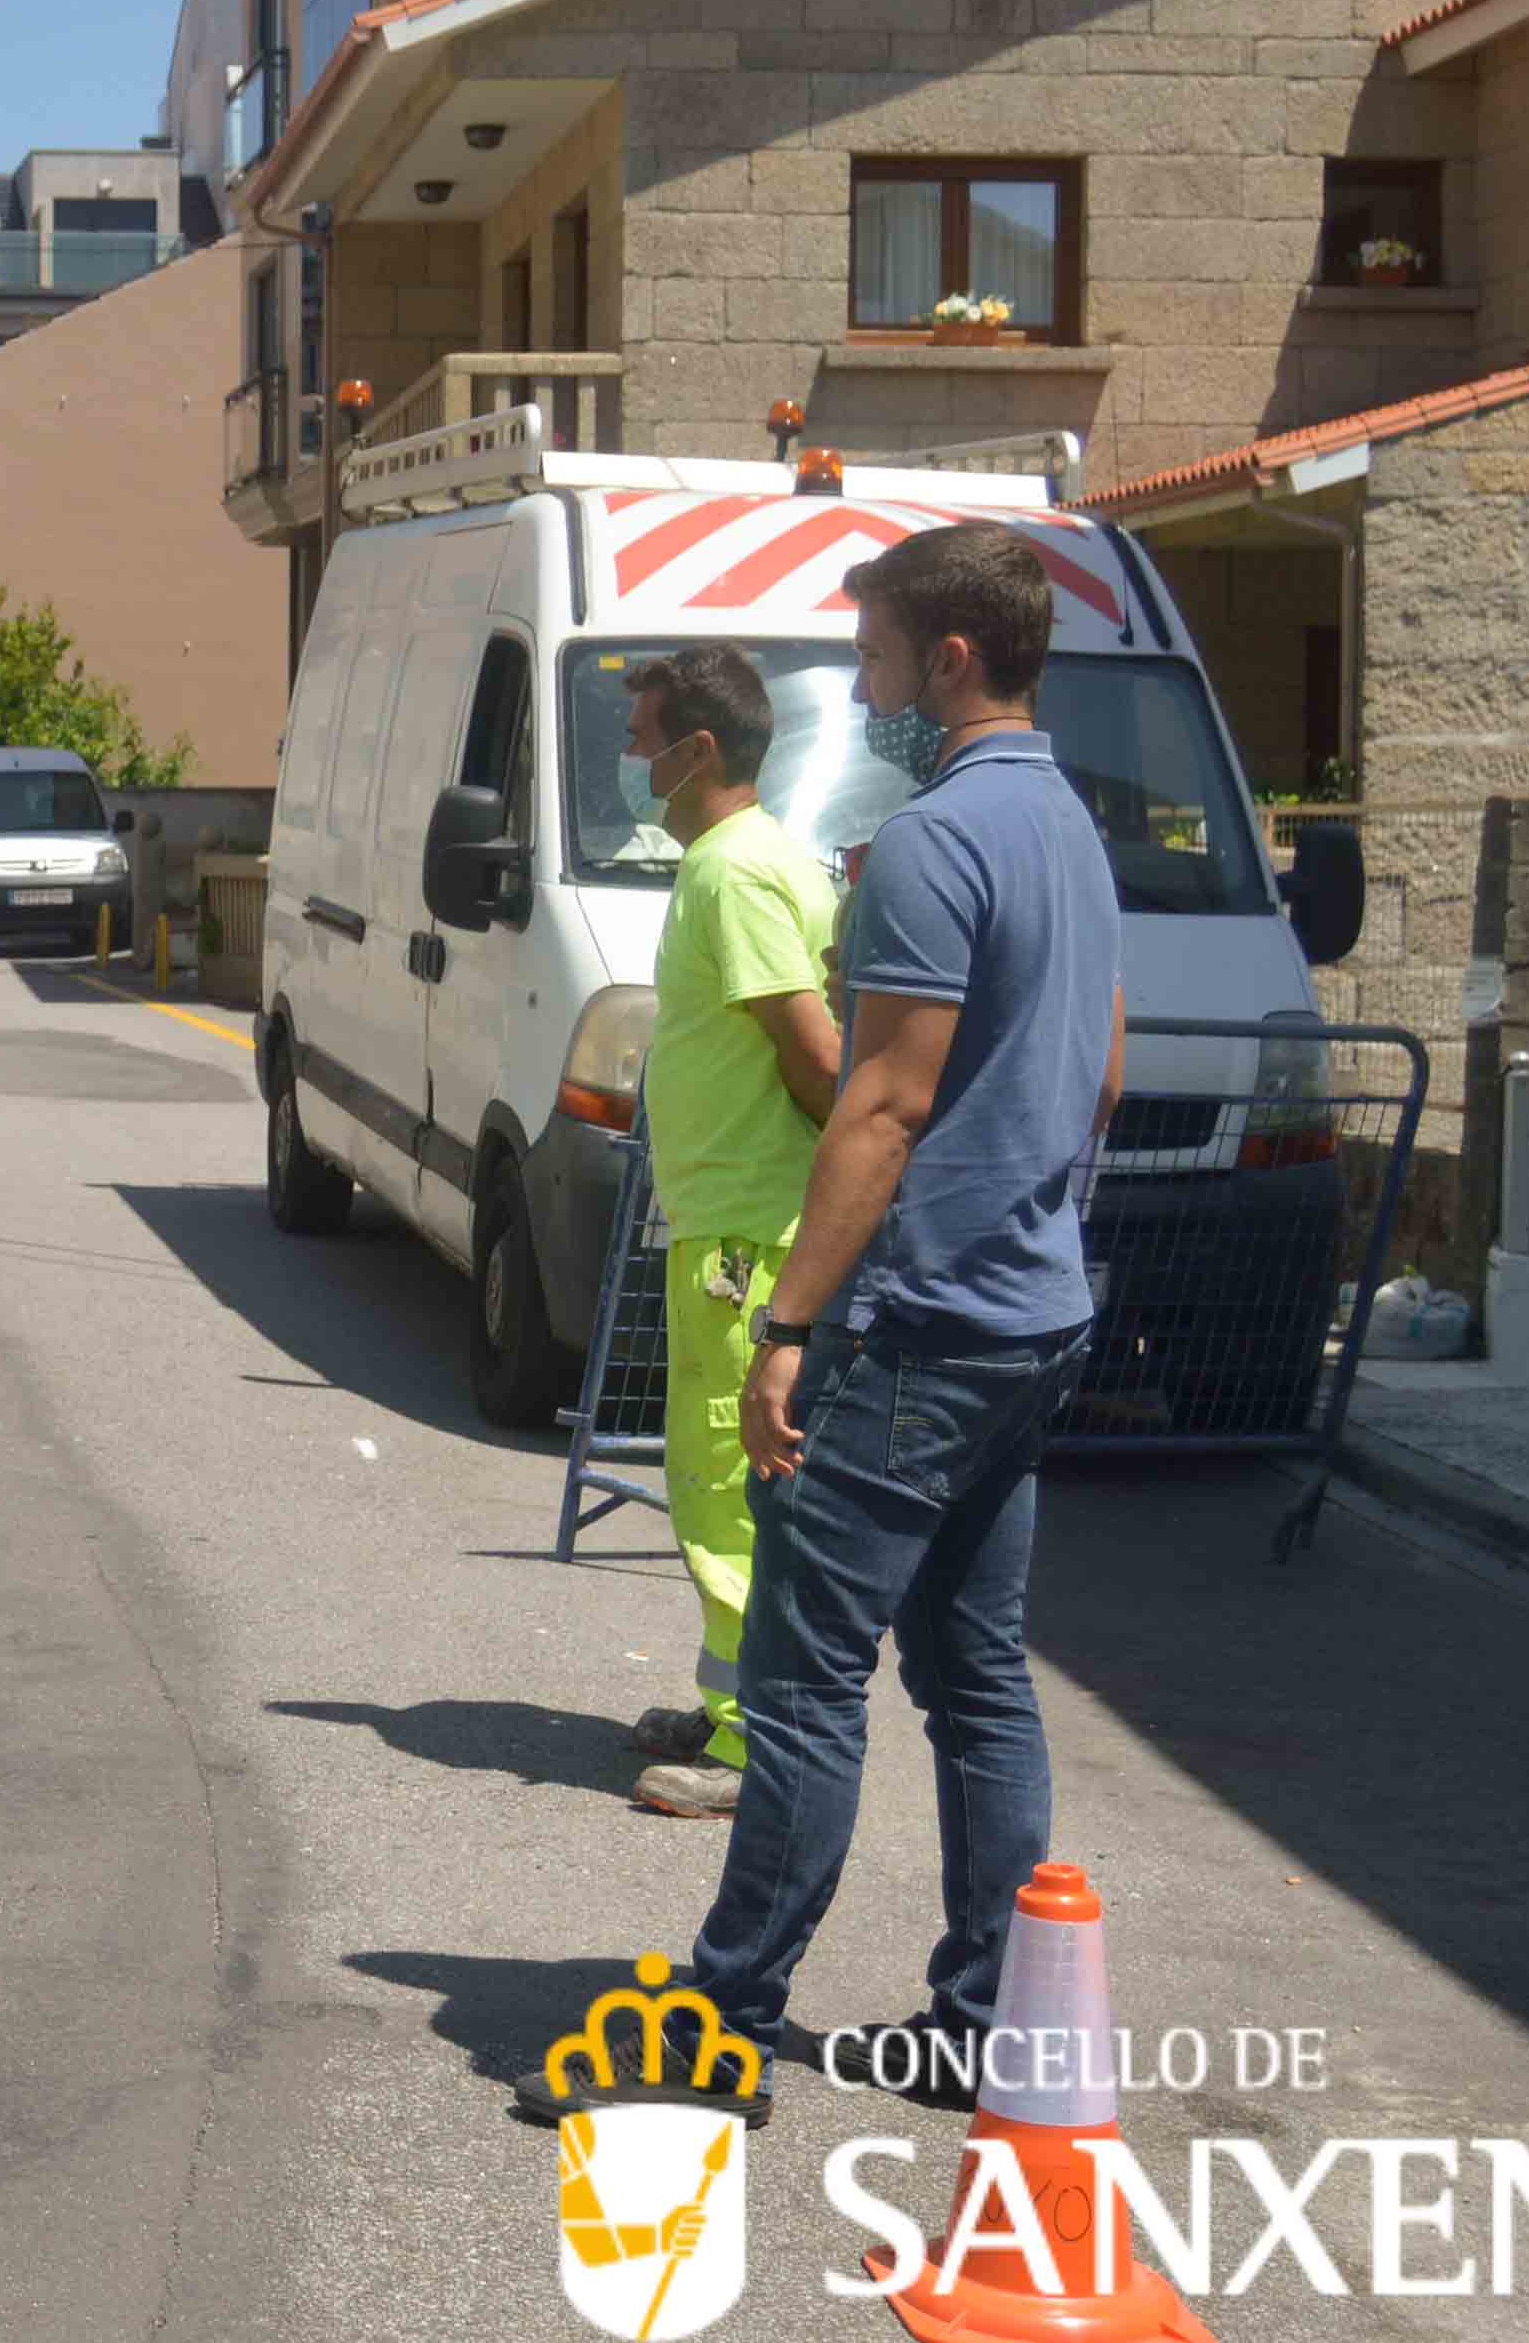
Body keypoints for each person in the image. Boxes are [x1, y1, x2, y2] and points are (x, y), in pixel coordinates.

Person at [689, 524, 1123, 2092]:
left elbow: (878, 1101)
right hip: (1032, 1315)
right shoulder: (1070, 823)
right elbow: (1103, 1066)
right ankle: (986, 2022)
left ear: (950, 659)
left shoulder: (938, 838)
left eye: (872, 656)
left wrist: (790, 1323)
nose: (863, 687)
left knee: (804, 1683)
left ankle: (718, 2029)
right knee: (978, 1676)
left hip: (921, 1326)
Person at [615, 646, 841, 1823]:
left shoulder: (729, 875)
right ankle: (729, 1707)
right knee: (719, 1479)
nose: (629, 757)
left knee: (723, 1483)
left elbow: (812, 1057)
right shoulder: (745, 862)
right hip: (734, 1223)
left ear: (698, 749)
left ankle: (751, 1746)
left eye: (641, 732)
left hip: (745, 1236)